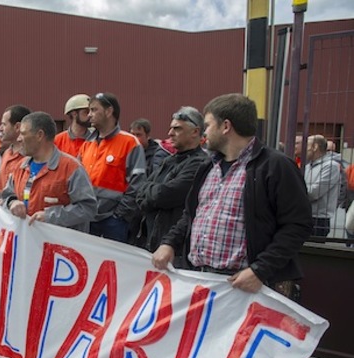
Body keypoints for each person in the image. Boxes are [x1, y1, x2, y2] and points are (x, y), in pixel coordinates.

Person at [152, 93, 312, 294]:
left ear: (225, 126)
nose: (204, 133)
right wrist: (169, 243)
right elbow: (191, 215)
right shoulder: (208, 167)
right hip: (201, 280)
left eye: (208, 125)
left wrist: (260, 270)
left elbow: (298, 225)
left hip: (245, 286)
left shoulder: (275, 166)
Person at [0, 112, 96, 232]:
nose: (19, 139)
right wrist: (12, 202)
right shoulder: (21, 166)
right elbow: (6, 196)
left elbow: (88, 208)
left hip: (59, 246)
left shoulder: (71, 168)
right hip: (28, 242)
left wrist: (50, 216)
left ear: (40, 135)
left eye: (23, 134)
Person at [136, 107, 207, 263]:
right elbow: (140, 190)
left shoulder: (199, 163)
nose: (169, 133)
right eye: (171, 128)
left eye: (177, 128)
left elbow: (167, 194)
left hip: (176, 251)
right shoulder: (168, 161)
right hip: (152, 244)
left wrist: (151, 194)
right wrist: (152, 194)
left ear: (195, 132)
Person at [78, 92, 146, 242]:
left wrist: (120, 215)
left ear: (109, 111)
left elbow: (138, 184)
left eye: (94, 110)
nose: (89, 115)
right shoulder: (87, 144)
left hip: (113, 222)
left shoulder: (129, 143)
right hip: (87, 219)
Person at [304, 134, 341, 237]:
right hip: (306, 215)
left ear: (315, 147)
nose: (303, 149)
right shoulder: (308, 166)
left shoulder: (330, 166)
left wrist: (295, 191)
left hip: (318, 219)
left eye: (306, 145)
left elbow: (315, 193)